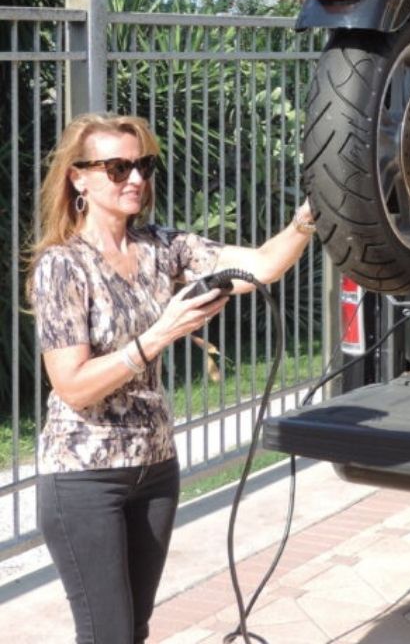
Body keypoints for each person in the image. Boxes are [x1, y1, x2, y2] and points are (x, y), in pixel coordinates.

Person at [27, 112, 318, 644]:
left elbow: (259, 266)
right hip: (85, 478)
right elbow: (73, 386)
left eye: (143, 165)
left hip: (156, 468)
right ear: (79, 178)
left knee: (134, 629)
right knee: (106, 633)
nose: (135, 178)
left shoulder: (162, 246)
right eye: (117, 168)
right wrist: (160, 334)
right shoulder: (61, 266)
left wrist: (309, 219)